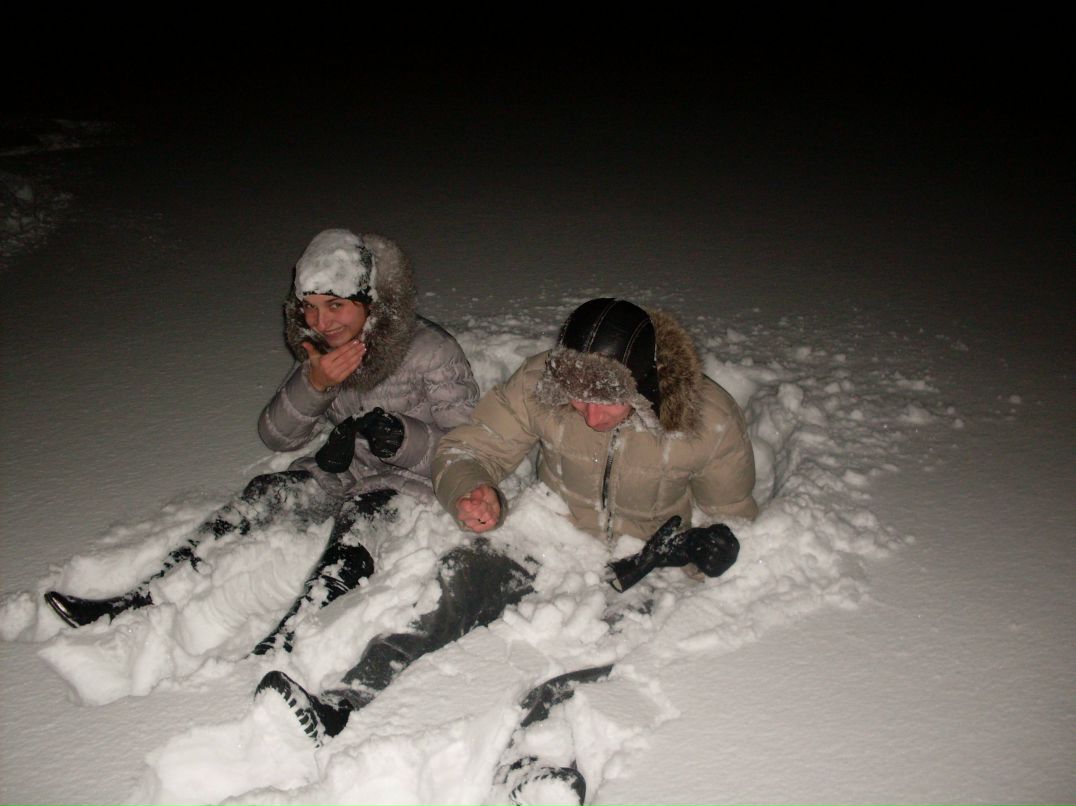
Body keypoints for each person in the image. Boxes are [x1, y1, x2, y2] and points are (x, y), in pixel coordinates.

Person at [255, 299, 756, 800]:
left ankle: (541, 762)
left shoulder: (706, 417)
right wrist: (473, 488)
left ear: (642, 380)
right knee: (456, 580)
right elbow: (467, 448)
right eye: (576, 398)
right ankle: (341, 701)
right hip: (552, 532)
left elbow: (735, 519)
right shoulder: (540, 383)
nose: (589, 414)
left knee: (610, 650)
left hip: (645, 560)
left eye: (604, 399)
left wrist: (711, 548)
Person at [44, 229, 480, 656]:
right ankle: (145, 594)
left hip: (414, 483)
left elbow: (470, 454)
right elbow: (276, 435)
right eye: (309, 307)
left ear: (372, 301)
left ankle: (293, 633)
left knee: (359, 526)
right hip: (346, 470)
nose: (321, 322)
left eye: (335, 305)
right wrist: (316, 384)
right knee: (265, 495)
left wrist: (402, 439)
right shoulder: (323, 349)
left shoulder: (432, 351)